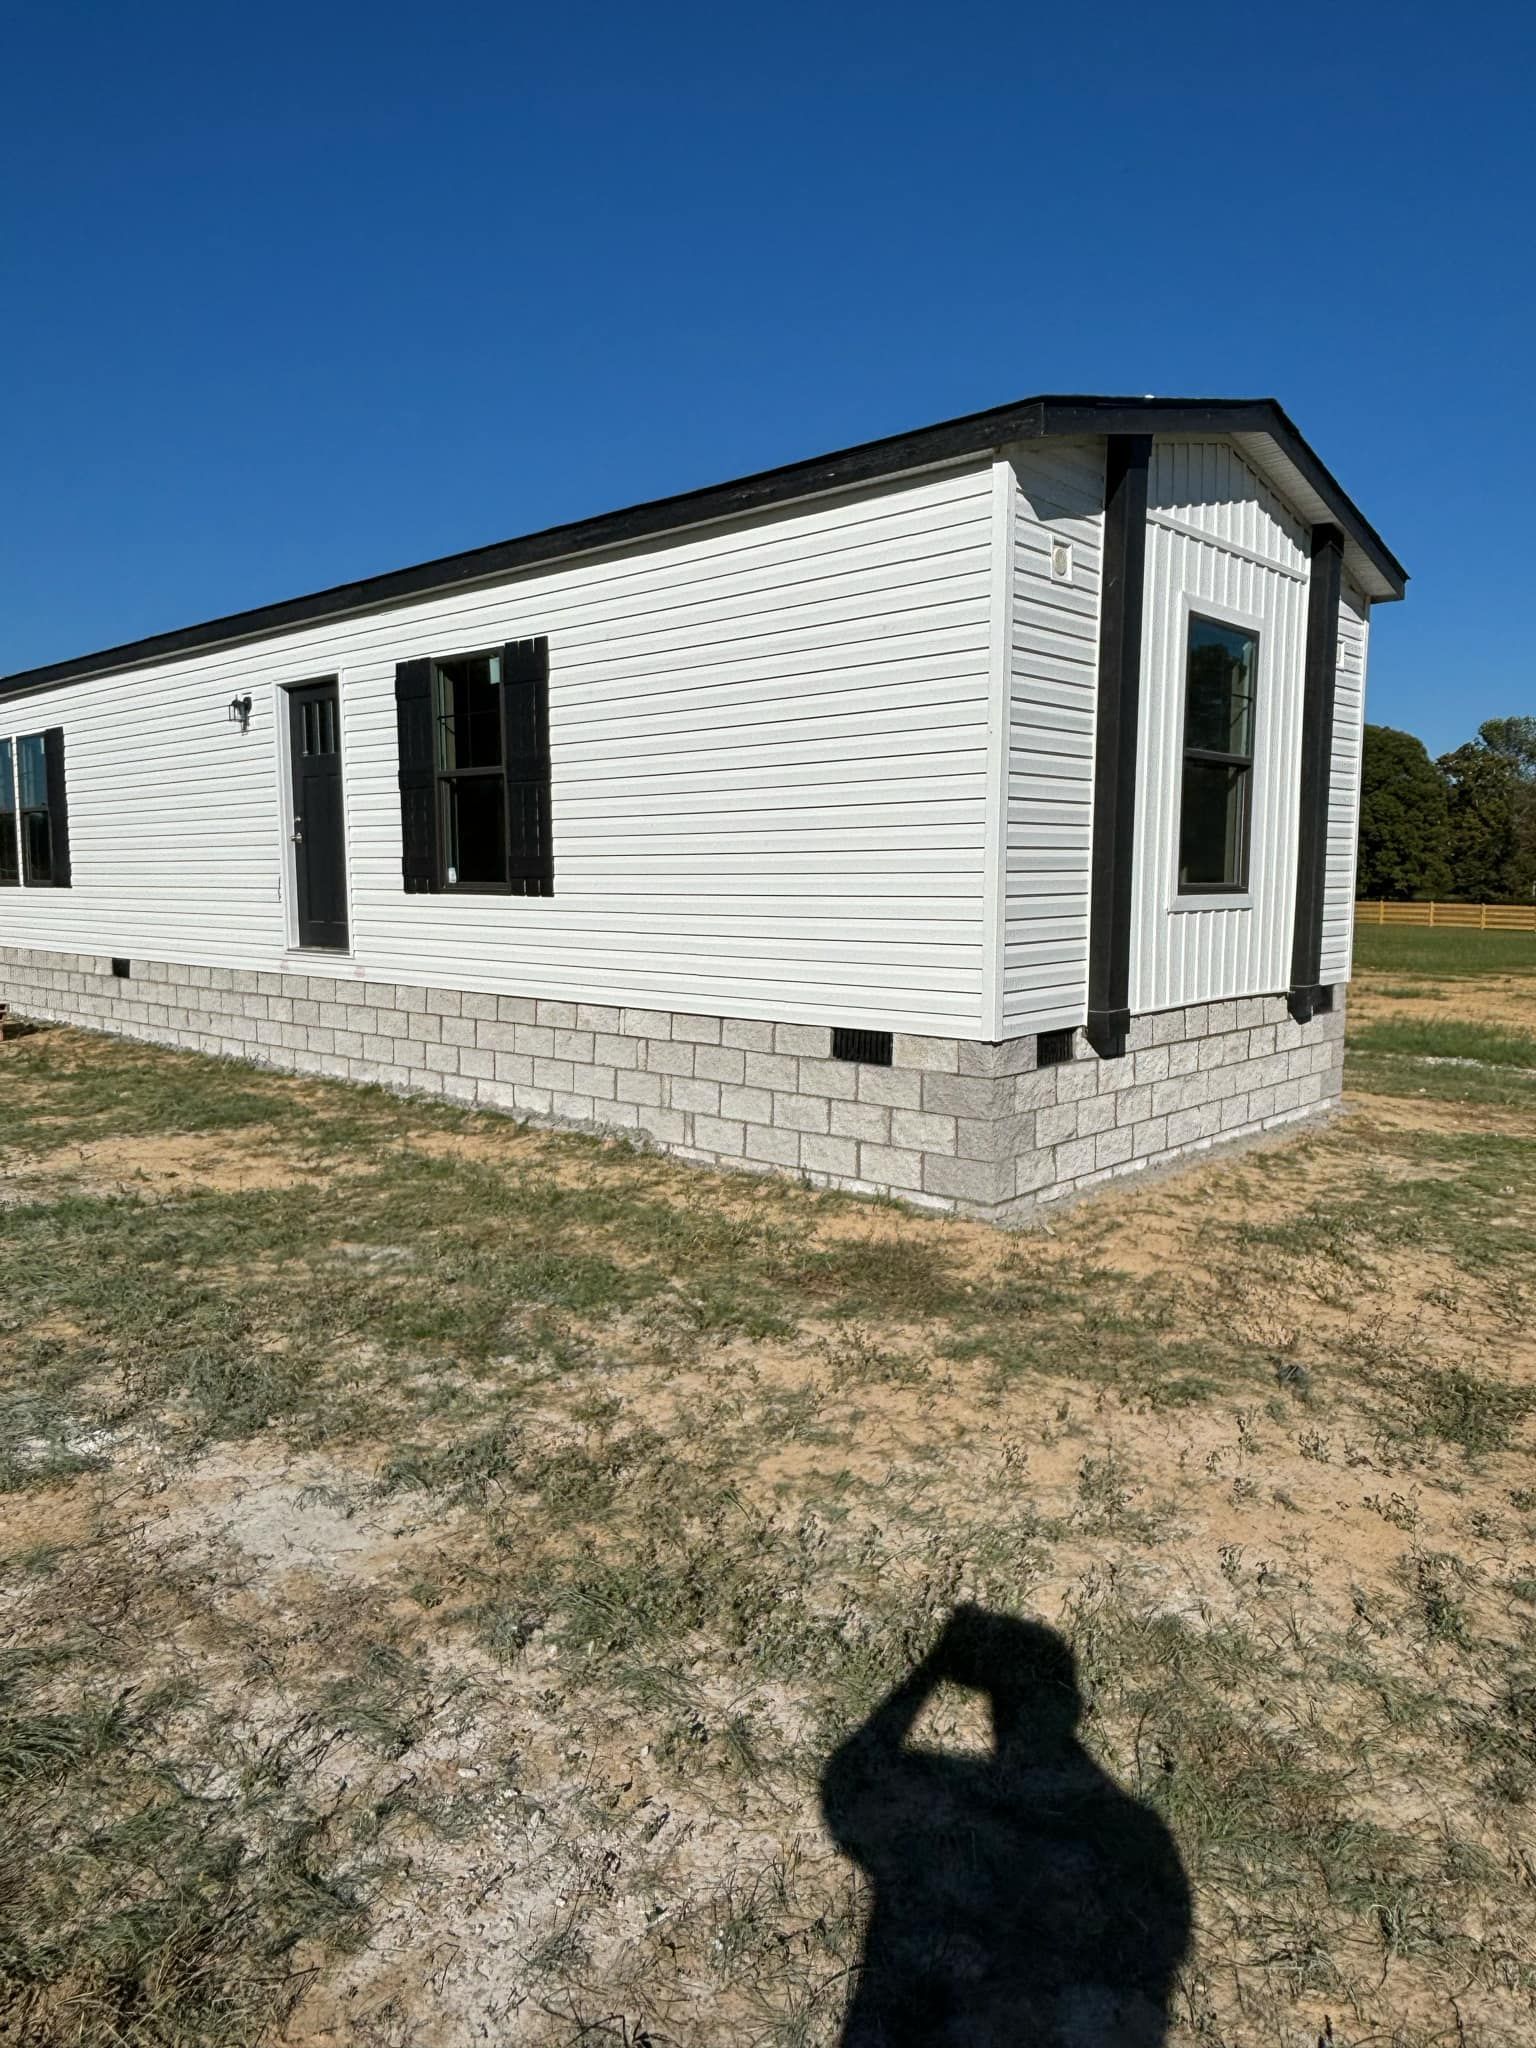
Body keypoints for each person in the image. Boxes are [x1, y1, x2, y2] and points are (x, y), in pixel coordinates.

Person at [820, 1606, 1191, 2046]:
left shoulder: (1133, 1830)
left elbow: (851, 1785)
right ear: (1072, 1703)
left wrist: (932, 1668)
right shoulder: (1138, 1833)